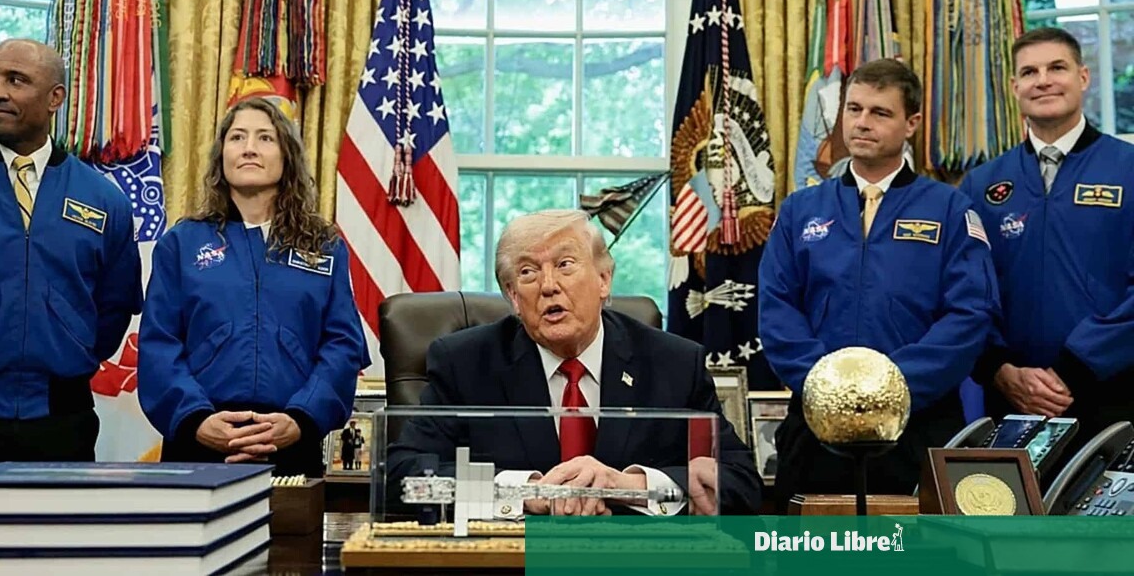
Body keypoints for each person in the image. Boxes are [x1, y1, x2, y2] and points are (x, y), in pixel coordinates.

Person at [387, 209, 763, 516]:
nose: (548, 285)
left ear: (603, 279)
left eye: (565, 264)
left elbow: (742, 483)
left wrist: (626, 486)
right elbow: (404, 479)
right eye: (528, 272)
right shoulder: (465, 363)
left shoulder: (674, 363)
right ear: (514, 297)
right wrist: (523, 492)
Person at [759, 59, 1000, 508]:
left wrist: (888, 388)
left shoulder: (950, 209)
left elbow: (970, 314)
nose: (862, 123)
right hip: (816, 426)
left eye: (880, 112)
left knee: (917, 546)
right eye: (854, 109)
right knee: (809, 544)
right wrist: (829, 387)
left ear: (911, 123)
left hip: (918, 424)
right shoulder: (800, 211)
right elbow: (777, 309)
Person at [0, 39, 142, 469]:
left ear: (55, 98)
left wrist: (69, 343)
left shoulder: (104, 200)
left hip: (61, 422)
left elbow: (114, 306)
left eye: (15, 80)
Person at [138, 97, 369, 477]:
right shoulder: (181, 244)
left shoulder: (323, 245)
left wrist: (301, 418)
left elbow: (342, 345)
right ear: (221, 156)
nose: (249, 148)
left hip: (292, 440)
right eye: (237, 137)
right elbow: (158, 345)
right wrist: (195, 419)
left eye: (265, 138)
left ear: (287, 156)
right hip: (198, 440)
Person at [960, 27, 1134, 444]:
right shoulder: (981, 184)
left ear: (1083, 77)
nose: (1043, 81)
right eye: (1029, 72)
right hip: (1011, 400)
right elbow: (965, 291)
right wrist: (998, 369)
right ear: (1014, 87)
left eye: (1057, 68)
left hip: (1114, 396)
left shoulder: (1127, 168)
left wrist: (1077, 367)